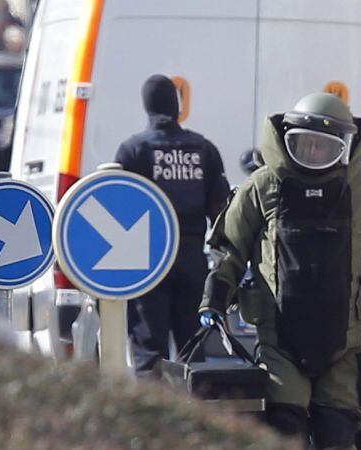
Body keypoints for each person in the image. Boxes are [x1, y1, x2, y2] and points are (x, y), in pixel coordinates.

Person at [199, 93, 361, 448]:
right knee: (285, 431)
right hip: (279, 340)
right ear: (288, 141)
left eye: (324, 147)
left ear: (344, 148)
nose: (314, 153)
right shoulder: (264, 185)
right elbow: (229, 250)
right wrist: (213, 300)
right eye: (305, 144)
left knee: (338, 434)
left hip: (341, 343)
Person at [115, 74, 229, 376]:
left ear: (146, 106)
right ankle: (195, 415)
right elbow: (221, 212)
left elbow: (119, 211)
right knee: (193, 351)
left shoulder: (133, 151)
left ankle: (153, 419)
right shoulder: (203, 149)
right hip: (192, 261)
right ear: (177, 104)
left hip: (149, 264)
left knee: (149, 352)